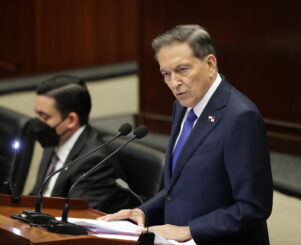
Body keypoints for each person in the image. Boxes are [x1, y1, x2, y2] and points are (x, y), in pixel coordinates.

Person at [98, 25, 273, 244]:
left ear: (210, 64)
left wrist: (191, 230)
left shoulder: (240, 118)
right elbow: (181, 186)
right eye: (166, 74)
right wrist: (143, 211)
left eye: (182, 70)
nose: (174, 83)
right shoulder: (182, 106)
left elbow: (253, 207)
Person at [30, 75, 135, 213]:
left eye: (44, 117)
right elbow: (37, 195)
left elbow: (77, 219)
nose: (37, 123)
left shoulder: (95, 162)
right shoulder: (52, 141)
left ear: (71, 120)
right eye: (37, 115)